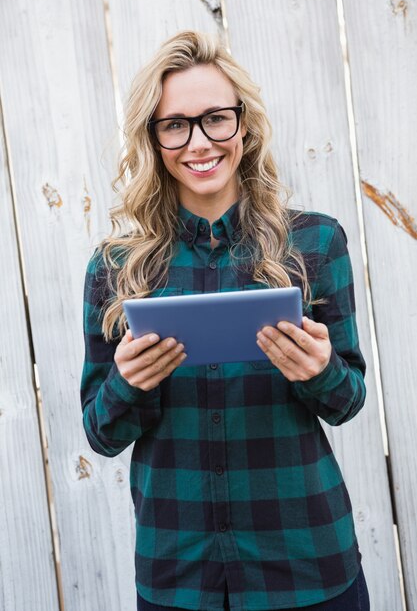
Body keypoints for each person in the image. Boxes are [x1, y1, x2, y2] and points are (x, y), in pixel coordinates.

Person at [81, 31, 370, 611]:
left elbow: (346, 402)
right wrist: (127, 384)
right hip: (178, 571)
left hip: (305, 563)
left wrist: (319, 371)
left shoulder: (313, 243)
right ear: (154, 138)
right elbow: (100, 433)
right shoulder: (116, 269)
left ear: (244, 125)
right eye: (175, 124)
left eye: (216, 118)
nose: (198, 142)